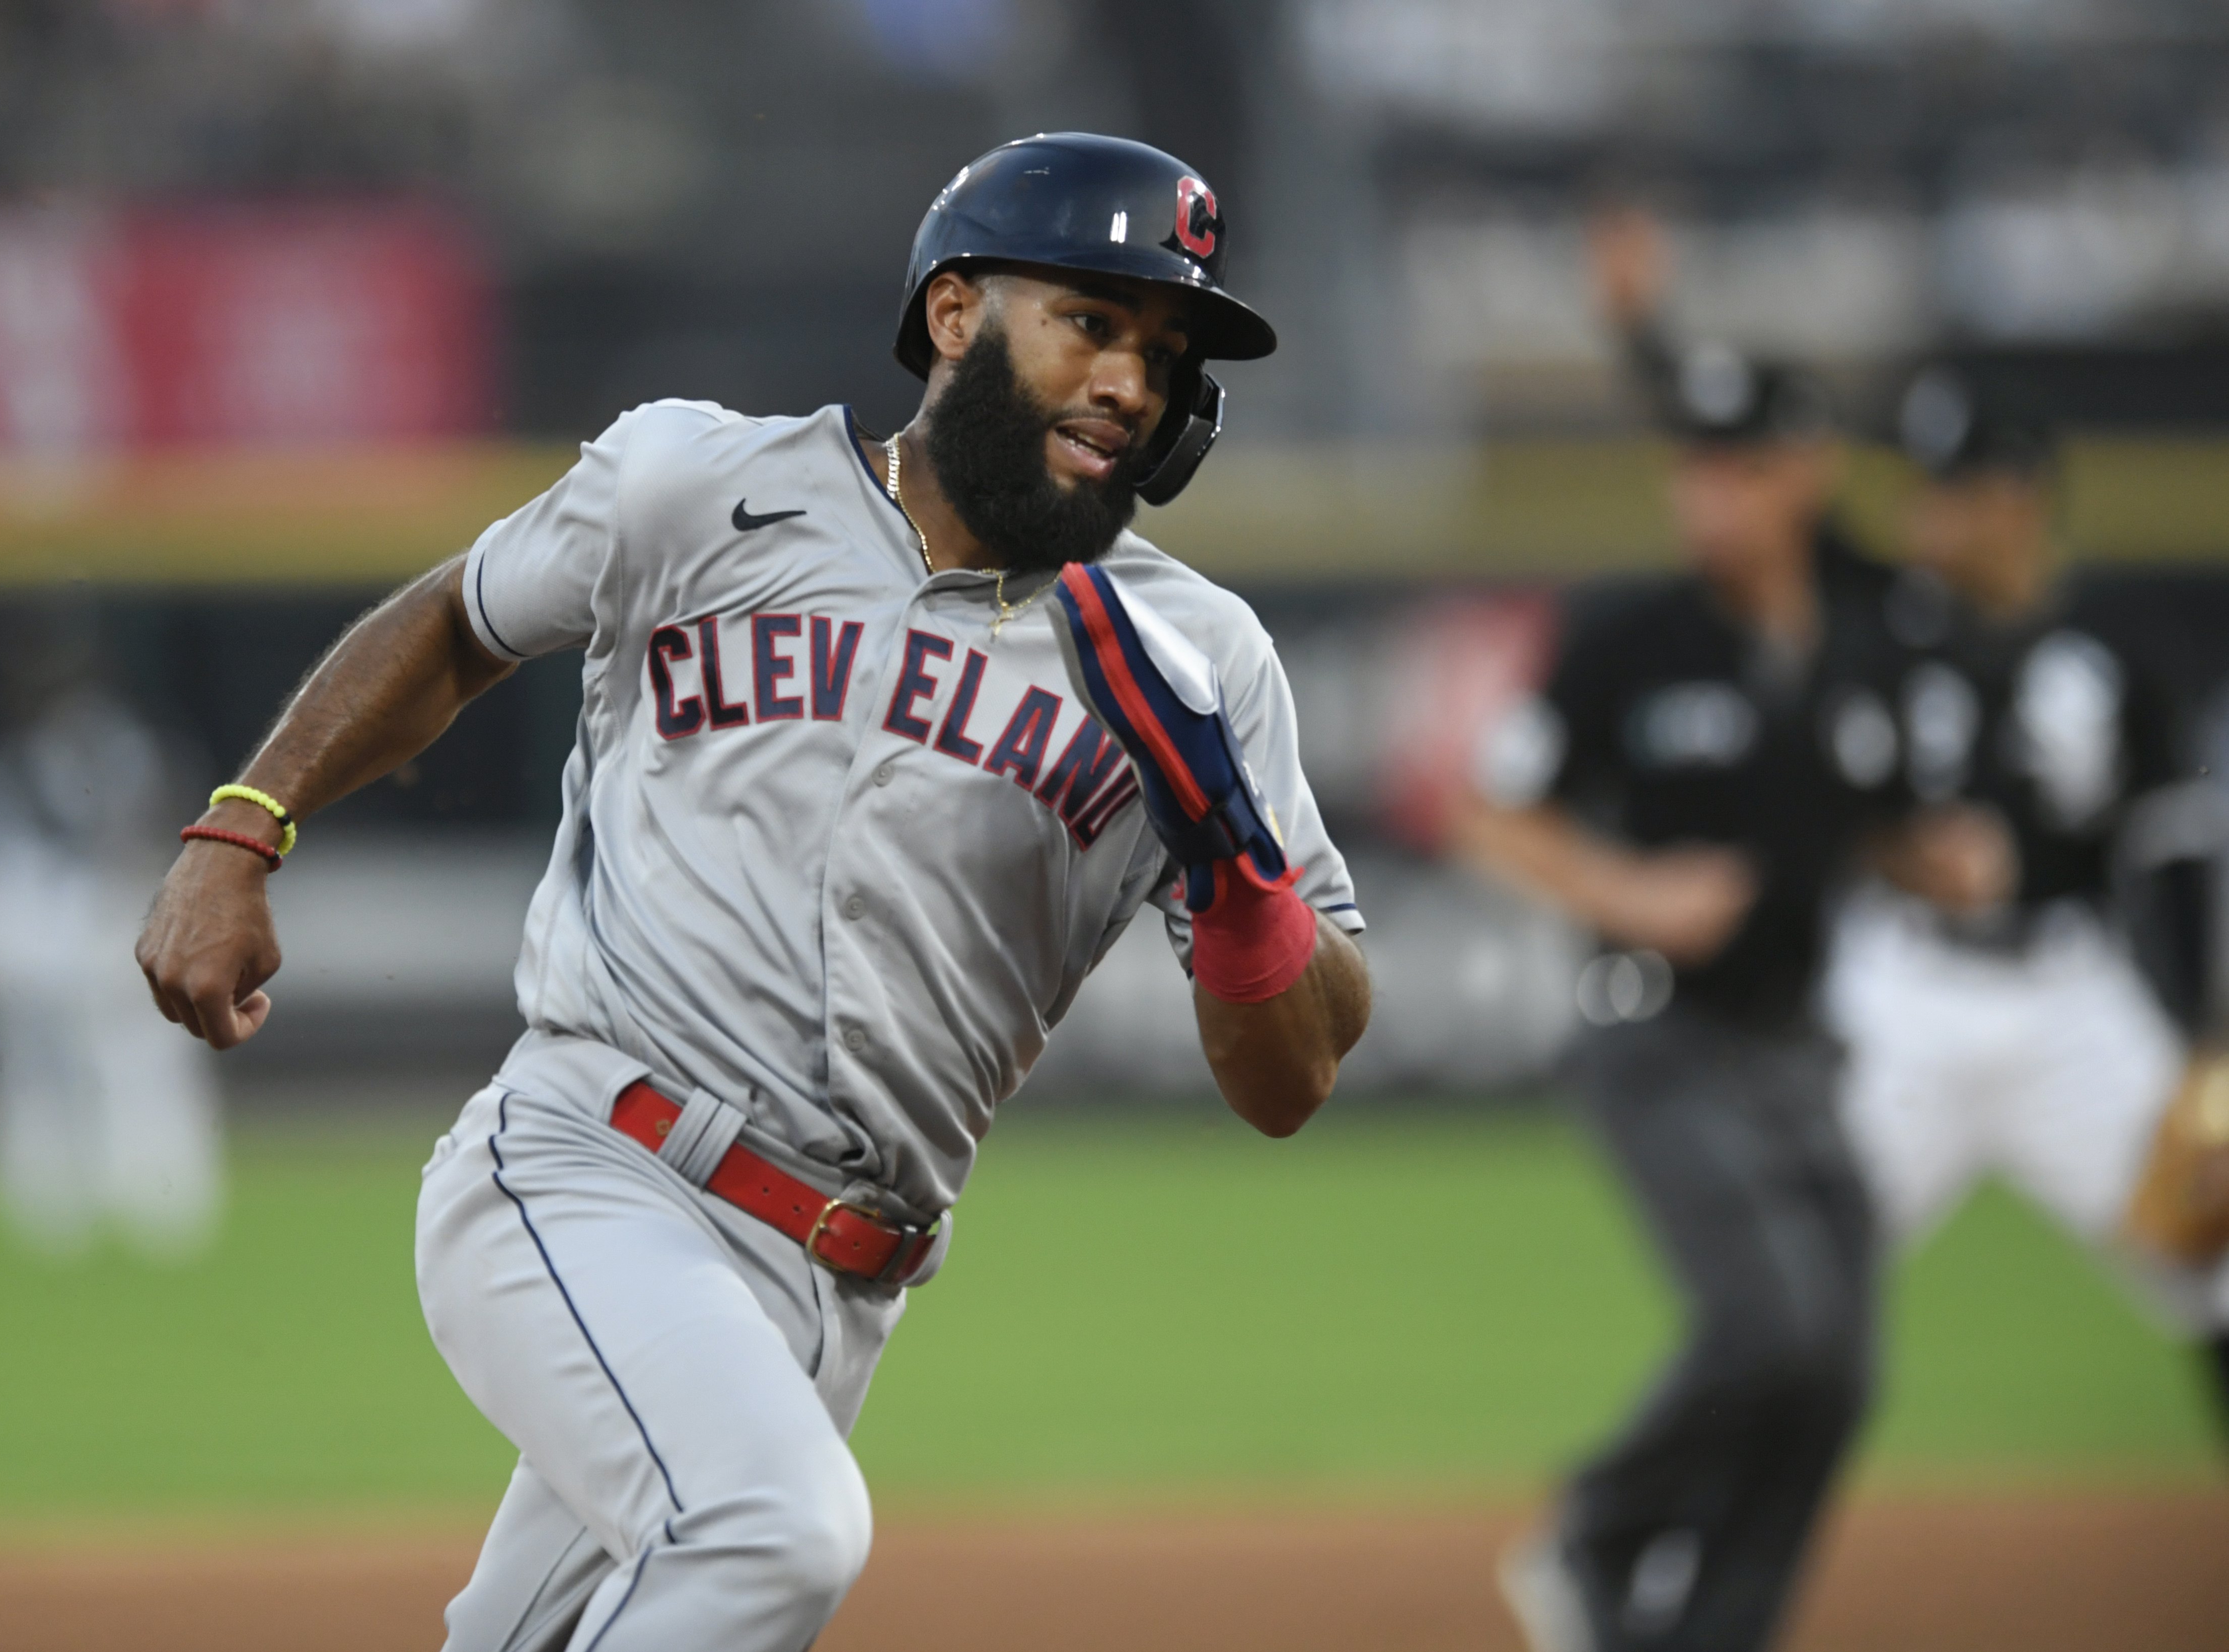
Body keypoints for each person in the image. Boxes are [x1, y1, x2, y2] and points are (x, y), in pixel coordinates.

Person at [133, 132, 1371, 1652]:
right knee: (770, 1530)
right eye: (1093, 323)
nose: (1131, 380)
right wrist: (241, 830)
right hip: (596, 1166)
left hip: (839, 1288)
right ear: (957, 314)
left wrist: (1238, 864)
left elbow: (1291, 1074)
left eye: (1167, 354)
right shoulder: (693, 483)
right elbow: (456, 622)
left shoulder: (1197, 663)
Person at [1457, 344, 1922, 1652]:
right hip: (1652, 1029)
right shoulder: (1629, 634)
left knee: (1836, 1376)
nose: (1707, 493)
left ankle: (1711, 1630)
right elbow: (1488, 813)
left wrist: (1924, 858)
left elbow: (1867, 816)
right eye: (1693, 466)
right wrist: (1629, 889)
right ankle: (1595, 1531)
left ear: (1807, 475)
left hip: (1796, 1042)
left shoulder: (1865, 638)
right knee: (1771, 1326)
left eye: (1740, 466)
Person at [1823, 366, 2229, 1429]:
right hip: (1903, 993)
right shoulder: (1881, 625)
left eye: (1943, 491)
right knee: (1791, 1298)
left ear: (2013, 499)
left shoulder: (2121, 644)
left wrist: (2201, 1047)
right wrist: (1900, 856)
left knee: (2215, 1257)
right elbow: (1811, 807)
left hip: (2067, 995)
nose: (1917, 515)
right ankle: (1678, 1562)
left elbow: (2169, 853)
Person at [0, 591, 222, 1261]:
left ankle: (155, 1204)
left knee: (135, 1062)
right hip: (44, 931)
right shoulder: (13, 763)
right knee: (44, 1069)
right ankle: (64, 1208)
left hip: (107, 922)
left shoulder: (117, 745)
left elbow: (154, 833)